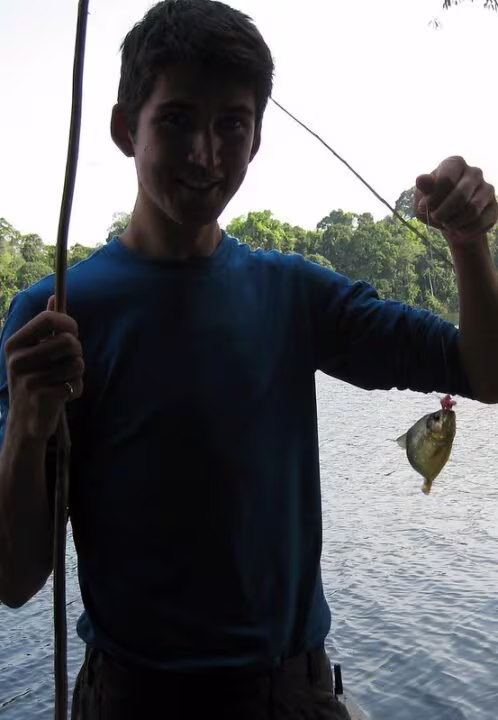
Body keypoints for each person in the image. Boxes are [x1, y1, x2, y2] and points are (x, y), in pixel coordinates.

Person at [0, 1, 497, 718]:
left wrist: (469, 245)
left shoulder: (298, 295)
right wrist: (27, 424)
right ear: (124, 129)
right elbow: (15, 579)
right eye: (177, 120)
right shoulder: (54, 317)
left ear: (257, 138)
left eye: (232, 124)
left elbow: (483, 373)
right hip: (136, 697)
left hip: (291, 692)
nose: (206, 153)